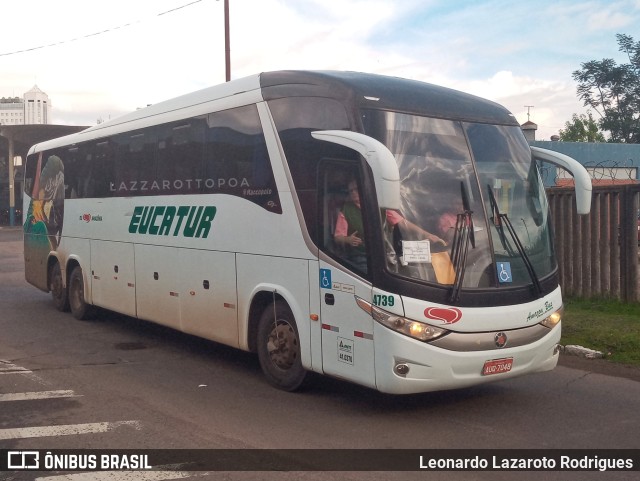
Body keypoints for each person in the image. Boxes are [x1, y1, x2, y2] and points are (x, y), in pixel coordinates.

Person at [334, 180, 445, 271]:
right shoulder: (346, 210)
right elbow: (338, 237)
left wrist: (428, 235)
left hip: (384, 255)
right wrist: (348, 239)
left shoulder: (380, 206)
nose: (353, 192)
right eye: (350, 191)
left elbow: (403, 223)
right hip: (361, 256)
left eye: (356, 189)